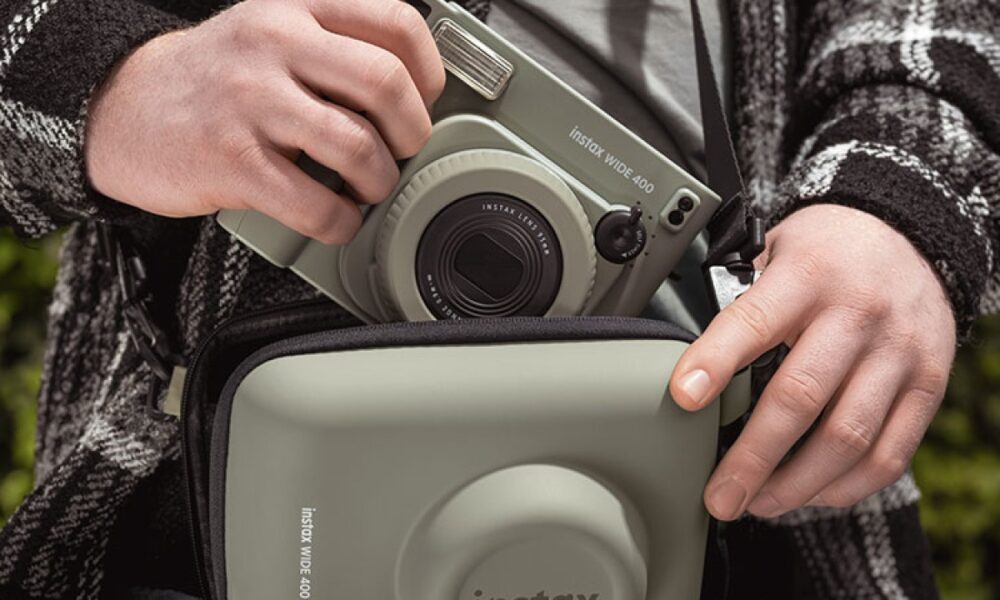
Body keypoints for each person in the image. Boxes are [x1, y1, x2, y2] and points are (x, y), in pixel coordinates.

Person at [0, 0, 996, 597]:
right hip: (193, 495)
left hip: (750, 480)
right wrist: (115, 83)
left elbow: (925, 23)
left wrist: (897, 203)